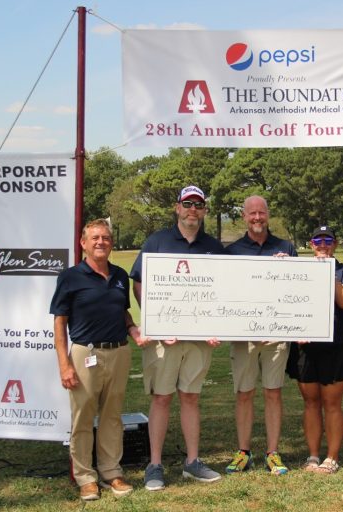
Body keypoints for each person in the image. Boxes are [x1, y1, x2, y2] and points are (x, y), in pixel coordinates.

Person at [129, 185, 225, 491]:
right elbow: (139, 285)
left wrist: (216, 323)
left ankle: (192, 462)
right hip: (164, 339)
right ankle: (155, 465)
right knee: (161, 397)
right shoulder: (157, 241)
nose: (192, 209)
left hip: (199, 339)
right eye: (188, 204)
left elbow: (225, 289)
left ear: (205, 210)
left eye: (198, 204)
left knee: (191, 397)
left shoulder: (213, 246)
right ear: (177, 207)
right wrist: (157, 321)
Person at [51, 219, 143, 501]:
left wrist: (132, 328)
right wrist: (64, 364)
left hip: (118, 352)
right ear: (83, 243)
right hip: (84, 353)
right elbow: (59, 324)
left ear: (111, 243)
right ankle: (85, 478)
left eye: (105, 238)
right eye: (95, 238)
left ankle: (111, 472)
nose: (101, 242)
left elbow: (123, 312)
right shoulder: (70, 277)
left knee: (112, 417)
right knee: (83, 418)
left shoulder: (118, 275)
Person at [224, 195, 297, 476]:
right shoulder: (232, 251)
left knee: (273, 392)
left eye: (261, 213)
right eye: (252, 213)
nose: (257, 218)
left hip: (276, 334)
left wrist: (287, 266)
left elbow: (297, 289)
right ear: (244, 216)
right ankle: (243, 452)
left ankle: (272, 453)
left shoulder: (285, 247)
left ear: (268, 215)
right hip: (244, 336)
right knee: (243, 393)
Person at [286, 225, 343, 474]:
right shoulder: (301, 269)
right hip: (305, 346)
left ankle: (332, 457)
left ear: (335, 244)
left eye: (328, 240)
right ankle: (313, 456)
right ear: (311, 243)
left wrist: (329, 272)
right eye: (318, 240)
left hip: (337, 344)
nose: (323, 244)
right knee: (310, 402)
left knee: (332, 403)